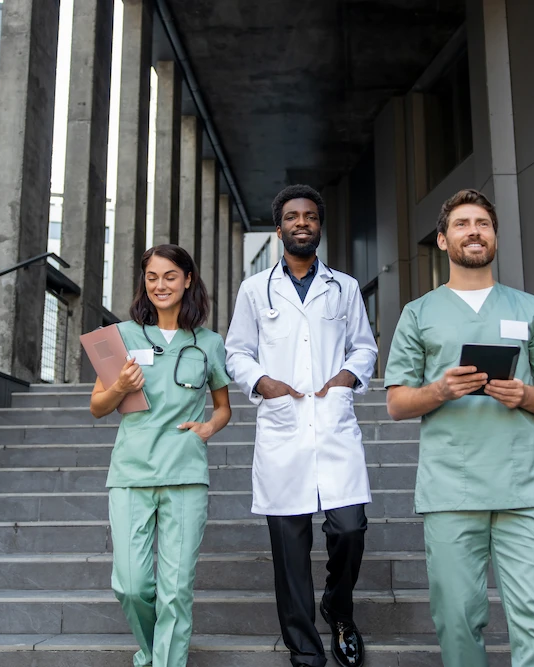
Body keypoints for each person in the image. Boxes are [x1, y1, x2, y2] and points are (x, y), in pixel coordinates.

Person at [383, 189, 534, 667]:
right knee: (457, 618)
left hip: (522, 488)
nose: (474, 231)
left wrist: (527, 395)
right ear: (443, 241)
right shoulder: (418, 314)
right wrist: (439, 391)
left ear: (495, 237)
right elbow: (397, 404)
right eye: (463, 224)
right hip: (452, 489)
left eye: (483, 224)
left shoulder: (528, 309)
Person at [225, 184, 378, 667]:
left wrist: (347, 376)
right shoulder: (255, 289)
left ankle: (338, 605)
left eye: (310, 216)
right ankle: (305, 651)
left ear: (319, 225)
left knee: (350, 529)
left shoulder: (345, 287)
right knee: (290, 554)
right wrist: (262, 382)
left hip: (332, 424)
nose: (302, 223)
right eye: (293, 216)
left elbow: (365, 347)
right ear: (280, 228)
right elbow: (236, 352)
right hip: (283, 429)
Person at [89, 244, 232, 667]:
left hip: (185, 472)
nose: (160, 285)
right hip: (131, 473)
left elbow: (223, 406)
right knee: (131, 584)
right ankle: (153, 653)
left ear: (188, 279)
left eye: (170, 276)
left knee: (176, 589)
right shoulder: (120, 337)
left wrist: (209, 426)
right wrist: (119, 386)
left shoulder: (208, 343)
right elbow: (98, 406)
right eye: (152, 277)